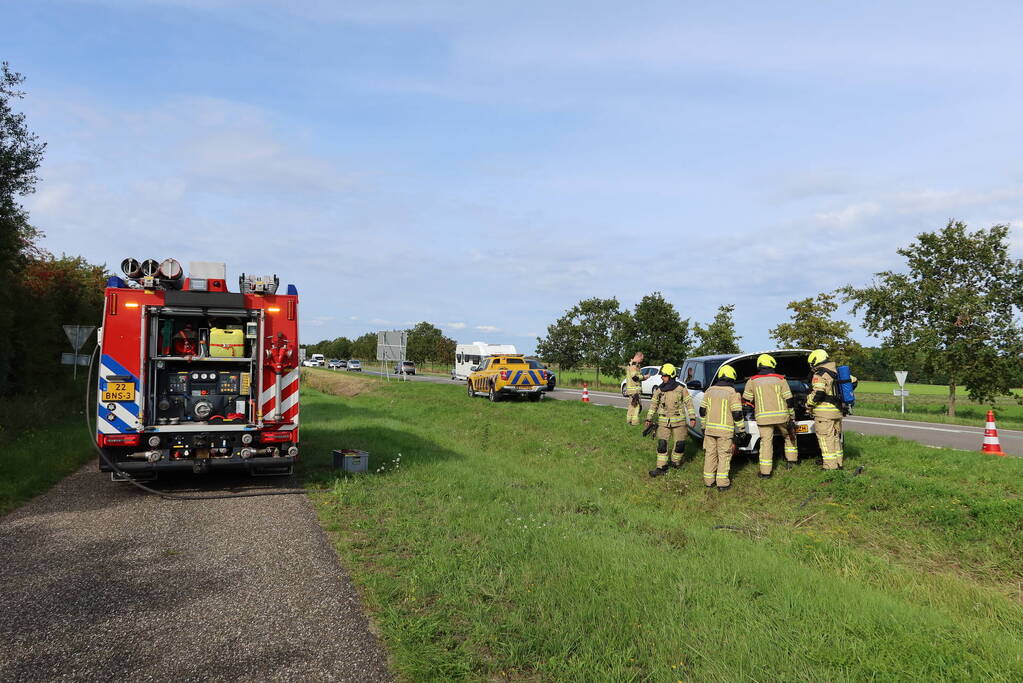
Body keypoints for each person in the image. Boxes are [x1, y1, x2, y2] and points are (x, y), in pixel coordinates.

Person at [742, 353, 796, 478]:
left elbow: (746, 400)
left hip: (763, 418)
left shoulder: (752, 381)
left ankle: (765, 473)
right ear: (772, 364)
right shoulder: (781, 379)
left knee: (766, 443)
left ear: (759, 365)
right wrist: (792, 416)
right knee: (789, 437)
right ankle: (791, 462)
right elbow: (789, 400)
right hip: (782, 416)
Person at [805, 348, 855, 470]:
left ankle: (829, 467)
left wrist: (808, 404)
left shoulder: (820, 374)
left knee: (825, 439)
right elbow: (854, 381)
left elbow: (818, 393)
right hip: (837, 411)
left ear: (816, 360)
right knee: (835, 438)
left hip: (824, 413)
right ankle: (838, 464)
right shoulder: (837, 372)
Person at [644, 363, 696, 477]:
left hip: (679, 422)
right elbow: (653, 405)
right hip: (663, 422)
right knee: (662, 445)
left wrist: (692, 417)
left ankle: (675, 463)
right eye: (662, 375)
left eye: (664, 375)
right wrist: (649, 418)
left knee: (680, 445)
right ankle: (661, 468)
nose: (662, 377)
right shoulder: (659, 389)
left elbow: (689, 404)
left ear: (671, 375)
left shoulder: (681, 389)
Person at [699, 364, 745, 491]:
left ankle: (708, 481)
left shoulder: (709, 391)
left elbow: (702, 410)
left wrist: (703, 426)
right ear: (732, 378)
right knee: (724, 456)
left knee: (710, 454)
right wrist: (741, 430)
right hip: (725, 431)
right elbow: (737, 413)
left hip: (709, 430)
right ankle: (722, 484)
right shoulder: (732, 393)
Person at [624, 352, 645, 425]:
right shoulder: (633, 365)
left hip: (631, 390)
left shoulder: (631, 364)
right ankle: (634, 422)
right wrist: (644, 377)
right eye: (641, 359)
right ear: (638, 357)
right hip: (634, 390)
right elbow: (635, 377)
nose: (641, 361)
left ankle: (629, 420)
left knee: (631, 405)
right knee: (636, 406)